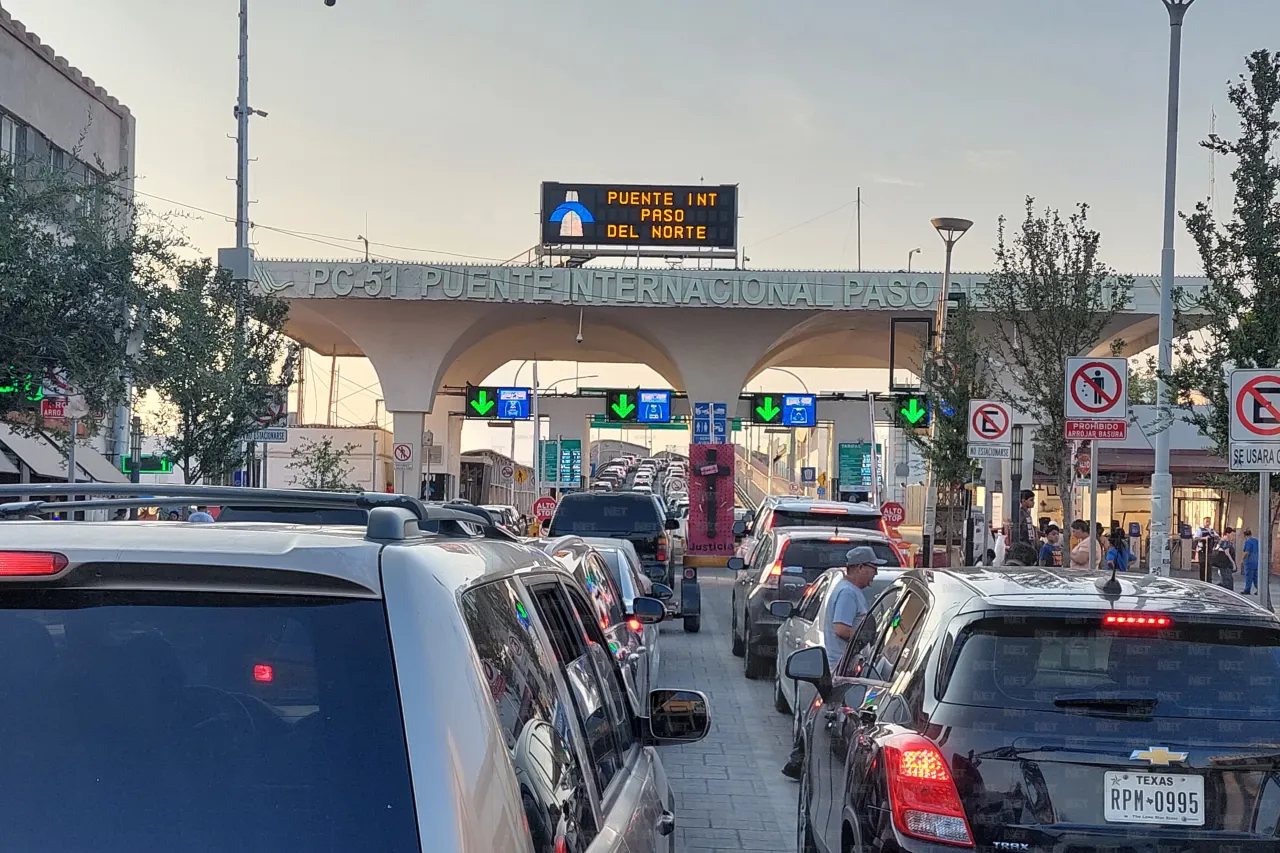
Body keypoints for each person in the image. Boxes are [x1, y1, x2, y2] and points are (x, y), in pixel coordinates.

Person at [781, 545, 885, 781]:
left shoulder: (848, 590)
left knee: (818, 715)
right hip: (842, 665)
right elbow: (841, 628)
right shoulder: (848, 593)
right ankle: (802, 760)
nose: (875, 575)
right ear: (859, 567)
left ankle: (798, 760)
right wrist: (865, 636)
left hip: (839, 663)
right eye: (872, 568)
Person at [1242, 528, 1260, 595]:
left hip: (1249, 561)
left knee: (1248, 576)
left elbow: (1247, 552)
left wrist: (1243, 559)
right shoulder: (1256, 541)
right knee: (1255, 577)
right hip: (1256, 561)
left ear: (1245, 536)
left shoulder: (1248, 542)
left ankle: (1247, 589)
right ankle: (1259, 589)